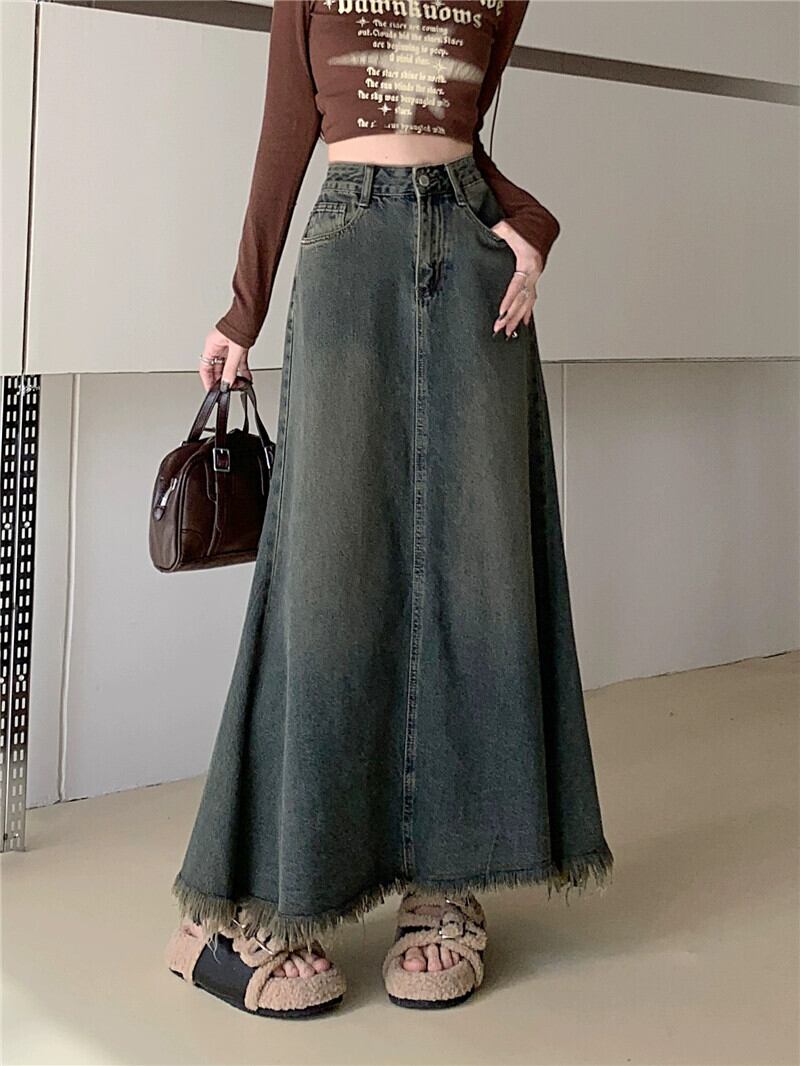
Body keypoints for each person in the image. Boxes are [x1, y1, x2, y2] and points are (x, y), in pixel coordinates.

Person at [165, 0, 613, 1017]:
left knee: (475, 563)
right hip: (349, 245)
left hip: (470, 262)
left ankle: (444, 881)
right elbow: (286, 133)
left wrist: (529, 229)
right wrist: (242, 309)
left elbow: (466, 140)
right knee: (327, 576)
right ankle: (269, 895)